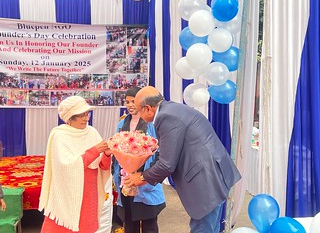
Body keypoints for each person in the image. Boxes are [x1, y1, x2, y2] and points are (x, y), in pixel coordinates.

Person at [125, 86, 241, 233]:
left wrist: (141, 176)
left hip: (205, 181)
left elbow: (167, 164)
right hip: (213, 173)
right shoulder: (172, 109)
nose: (139, 116)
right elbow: (168, 152)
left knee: (203, 228)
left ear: (148, 108)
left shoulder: (165, 118)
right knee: (211, 227)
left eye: (138, 110)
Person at [39, 95, 113, 233]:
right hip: (67, 191)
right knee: (64, 227)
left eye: (87, 114)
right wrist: (95, 150)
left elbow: (103, 166)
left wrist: (107, 154)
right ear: (70, 118)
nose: (86, 118)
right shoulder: (59, 135)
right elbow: (67, 166)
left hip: (90, 191)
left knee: (85, 226)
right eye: (81, 115)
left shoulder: (92, 132)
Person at [113, 86, 166, 233]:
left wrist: (149, 175)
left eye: (133, 101)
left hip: (145, 180)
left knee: (149, 224)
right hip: (126, 181)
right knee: (129, 224)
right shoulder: (121, 124)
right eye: (127, 101)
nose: (130, 105)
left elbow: (160, 150)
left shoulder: (151, 123)